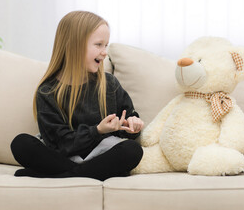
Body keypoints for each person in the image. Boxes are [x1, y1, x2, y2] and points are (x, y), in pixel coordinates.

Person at [10, 11, 144, 181]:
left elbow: (127, 120)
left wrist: (132, 124)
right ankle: (85, 174)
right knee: (21, 143)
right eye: (99, 45)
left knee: (133, 150)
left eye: (106, 45)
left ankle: (56, 176)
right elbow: (62, 144)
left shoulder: (109, 84)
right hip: (62, 156)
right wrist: (97, 130)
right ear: (74, 45)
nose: (104, 52)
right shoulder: (48, 91)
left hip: (101, 155)